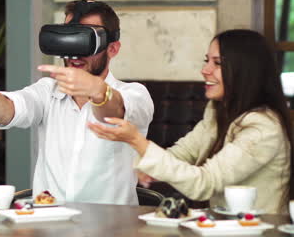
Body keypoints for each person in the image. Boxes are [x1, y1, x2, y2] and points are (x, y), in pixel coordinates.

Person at [0, 0, 154, 205]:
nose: (75, 53)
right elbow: (6, 109)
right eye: (69, 38)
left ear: (112, 48)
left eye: (85, 40)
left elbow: (116, 109)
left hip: (111, 227)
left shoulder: (135, 94)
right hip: (49, 223)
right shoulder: (48, 91)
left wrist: (97, 89)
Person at [88, 29, 293, 213]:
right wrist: (148, 168)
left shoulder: (263, 128)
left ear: (245, 71)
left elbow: (204, 183)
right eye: (207, 60)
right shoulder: (218, 111)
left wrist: (137, 141)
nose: (205, 70)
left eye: (217, 63)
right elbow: (184, 153)